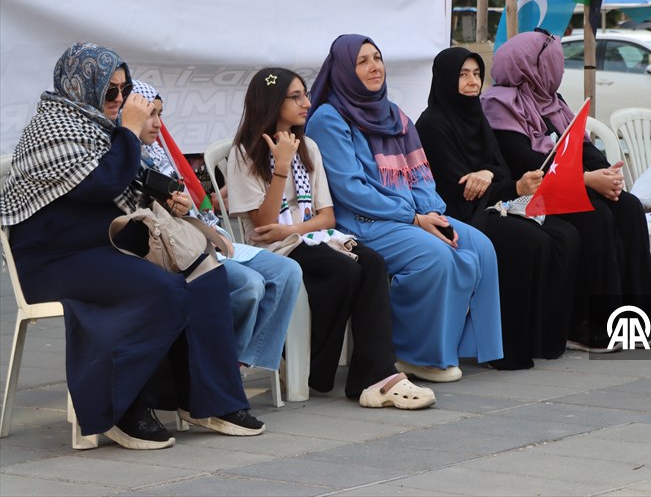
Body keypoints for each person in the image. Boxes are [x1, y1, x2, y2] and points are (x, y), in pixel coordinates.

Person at [0, 43, 262, 450]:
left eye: (122, 91)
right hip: (52, 262)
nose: (119, 100)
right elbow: (103, 184)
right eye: (110, 92)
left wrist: (168, 197)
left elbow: (128, 180)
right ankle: (121, 409)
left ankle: (209, 401)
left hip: (105, 250)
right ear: (79, 86)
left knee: (205, 273)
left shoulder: (98, 127)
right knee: (160, 288)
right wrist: (130, 131)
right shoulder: (51, 130)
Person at [227, 68, 435, 409]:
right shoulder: (243, 153)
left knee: (372, 262)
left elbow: (327, 216)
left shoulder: (307, 146)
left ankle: (376, 376)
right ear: (271, 102)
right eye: (296, 97)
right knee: (344, 270)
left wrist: (293, 228)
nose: (306, 103)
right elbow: (264, 226)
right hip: (273, 250)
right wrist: (281, 166)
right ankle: (312, 367)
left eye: (305, 94)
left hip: (310, 236)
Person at [305, 35, 503, 383]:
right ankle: (413, 354)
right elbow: (350, 190)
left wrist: (432, 214)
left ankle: (465, 346)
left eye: (377, 58)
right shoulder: (328, 118)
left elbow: (421, 176)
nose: (374, 66)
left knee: (480, 247)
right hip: (362, 222)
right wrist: (412, 218)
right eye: (362, 61)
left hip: (410, 217)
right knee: (436, 257)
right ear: (343, 70)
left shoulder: (395, 115)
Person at [480, 30, 651, 351]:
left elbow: (582, 146)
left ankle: (636, 321)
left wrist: (606, 173)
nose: (559, 70)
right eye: (553, 62)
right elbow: (527, 160)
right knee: (596, 214)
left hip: (567, 183)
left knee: (628, 207)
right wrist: (589, 180)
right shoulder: (498, 104)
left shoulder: (552, 102)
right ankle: (590, 325)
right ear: (532, 66)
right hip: (527, 193)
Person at [416, 47, 578, 369]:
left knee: (565, 234)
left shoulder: (476, 116)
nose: (472, 81)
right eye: (463, 74)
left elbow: (499, 168)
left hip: (495, 203)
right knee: (529, 241)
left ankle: (543, 340)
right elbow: (458, 188)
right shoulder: (432, 124)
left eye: (476, 74)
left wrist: (489, 175)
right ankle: (505, 347)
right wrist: (507, 185)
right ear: (446, 79)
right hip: (461, 214)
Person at [131, 81, 303, 377]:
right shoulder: (126, 157)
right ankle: (220, 371)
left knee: (289, 271)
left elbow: (198, 211)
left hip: (206, 239)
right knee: (249, 285)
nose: (159, 124)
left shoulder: (161, 155)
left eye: (160, 114)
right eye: (150, 115)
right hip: (176, 250)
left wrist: (213, 229)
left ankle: (237, 364)